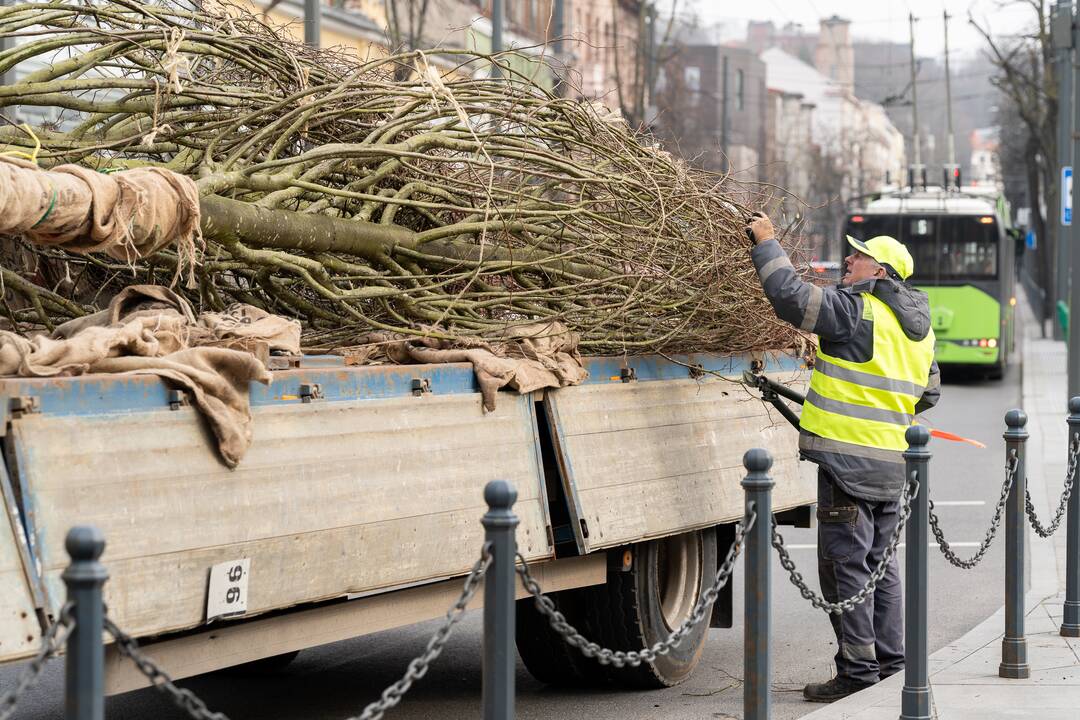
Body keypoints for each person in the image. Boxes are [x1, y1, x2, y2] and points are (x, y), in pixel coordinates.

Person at [746, 213, 941, 703]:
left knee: (846, 568)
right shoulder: (919, 329)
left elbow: (791, 297)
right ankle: (893, 662)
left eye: (859, 255)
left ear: (880, 273)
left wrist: (766, 242)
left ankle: (857, 671)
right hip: (892, 465)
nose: (848, 259)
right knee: (881, 565)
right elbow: (928, 393)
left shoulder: (857, 312)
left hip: (847, 466)